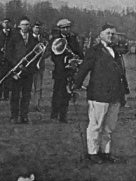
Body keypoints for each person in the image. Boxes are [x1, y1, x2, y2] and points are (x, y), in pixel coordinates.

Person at [73, 24, 129, 164]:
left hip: (115, 95)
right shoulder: (94, 51)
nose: (111, 36)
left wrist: (125, 89)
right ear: (101, 35)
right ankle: (93, 153)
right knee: (96, 125)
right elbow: (84, 69)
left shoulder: (117, 52)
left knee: (109, 127)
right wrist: (75, 85)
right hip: (98, 94)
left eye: (112, 34)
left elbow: (121, 72)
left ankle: (105, 152)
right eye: (108, 33)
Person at [6, 17, 39, 124]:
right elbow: (9, 54)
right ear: (20, 26)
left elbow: (36, 55)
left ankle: (24, 116)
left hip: (28, 72)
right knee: (15, 94)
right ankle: (14, 116)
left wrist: (30, 67)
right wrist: (17, 65)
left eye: (28, 25)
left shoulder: (34, 40)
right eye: (24, 24)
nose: (26, 27)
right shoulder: (14, 38)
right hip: (17, 70)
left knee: (26, 95)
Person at [50, 19, 84, 123]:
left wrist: (79, 59)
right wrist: (66, 62)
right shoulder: (56, 39)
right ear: (60, 29)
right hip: (60, 71)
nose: (66, 29)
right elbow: (54, 57)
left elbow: (78, 51)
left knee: (67, 94)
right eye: (64, 28)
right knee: (58, 93)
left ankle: (63, 116)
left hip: (70, 71)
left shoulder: (73, 39)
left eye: (68, 27)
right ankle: (54, 115)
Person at [30, 21, 49, 111]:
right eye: (36, 27)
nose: (37, 29)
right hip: (29, 65)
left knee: (38, 87)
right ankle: (27, 105)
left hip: (39, 65)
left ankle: (36, 105)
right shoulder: (28, 38)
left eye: (39, 27)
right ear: (32, 28)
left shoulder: (43, 40)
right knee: (28, 86)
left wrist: (44, 54)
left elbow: (48, 52)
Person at [0, 18, 13, 101]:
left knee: (8, 77)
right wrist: (0, 49)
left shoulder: (12, 34)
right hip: (0, 58)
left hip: (9, 59)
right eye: (4, 22)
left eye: (8, 23)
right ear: (2, 24)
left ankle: (6, 95)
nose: (6, 24)